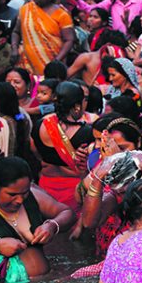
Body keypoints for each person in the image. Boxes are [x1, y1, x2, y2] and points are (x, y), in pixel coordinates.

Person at [0, 157, 73, 283]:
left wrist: (52, 225)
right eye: (12, 194)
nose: (20, 200)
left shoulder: (34, 196)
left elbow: (67, 212)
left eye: (24, 193)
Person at [32, 82, 93, 211]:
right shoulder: (87, 132)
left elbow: (34, 150)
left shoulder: (40, 124)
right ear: (77, 106)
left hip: (45, 184)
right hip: (73, 190)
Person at [14, 0, 74, 75]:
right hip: (27, 61)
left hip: (53, 61)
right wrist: (14, 49)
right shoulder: (25, 9)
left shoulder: (62, 14)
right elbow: (16, 32)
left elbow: (69, 40)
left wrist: (56, 61)